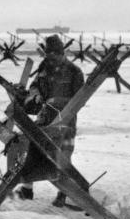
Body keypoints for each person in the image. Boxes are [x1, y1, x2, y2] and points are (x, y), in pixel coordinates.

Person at [16, 34, 85, 206]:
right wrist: (36, 96)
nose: (51, 58)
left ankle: (63, 194)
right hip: (45, 117)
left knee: (64, 155)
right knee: (30, 145)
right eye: (49, 54)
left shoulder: (74, 72)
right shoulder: (44, 68)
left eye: (54, 54)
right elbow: (34, 87)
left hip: (65, 121)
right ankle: (26, 189)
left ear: (61, 53)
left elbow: (80, 99)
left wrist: (58, 102)